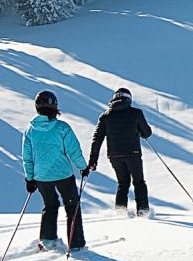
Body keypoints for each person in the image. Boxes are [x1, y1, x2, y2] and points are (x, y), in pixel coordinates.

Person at [21, 90, 87, 251]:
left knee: (50, 206)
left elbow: (27, 157)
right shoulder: (62, 127)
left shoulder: (30, 130)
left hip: (41, 177)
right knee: (72, 206)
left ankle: (48, 241)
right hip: (63, 174)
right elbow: (74, 151)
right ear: (55, 106)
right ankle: (76, 244)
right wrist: (83, 167)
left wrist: (29, 179)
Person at [88, 87, 154, 217]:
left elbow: (97, 139)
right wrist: (139, 131)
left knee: (123, 183)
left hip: (114, 155)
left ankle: (120, 212)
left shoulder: (105, 117)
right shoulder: (136, 113)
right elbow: (147, 133)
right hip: (133, 153)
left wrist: (93, 160)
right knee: (139, 182)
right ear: (128, 99)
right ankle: (143, 212)